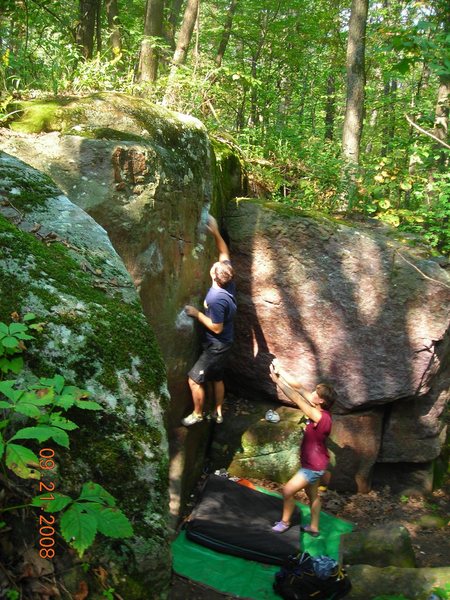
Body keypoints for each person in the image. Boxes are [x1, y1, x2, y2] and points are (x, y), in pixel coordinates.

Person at [269, 358, 337, 536]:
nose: (312, 393)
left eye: (316, 393)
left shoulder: (318, 415)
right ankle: (314, 527)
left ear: (321, 400)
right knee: (313, 495)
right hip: (317, 464)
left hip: (313, 467)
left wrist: (277, 382)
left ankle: (284, 523)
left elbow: (296, 398)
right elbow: (299, 387)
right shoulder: (322, 411)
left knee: (288, 490)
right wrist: (281, 371)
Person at [182, 215, 236, 426]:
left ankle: (197, 414)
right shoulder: (228, 280)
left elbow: (216, 327)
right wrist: (215, 232)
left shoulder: (214, 299)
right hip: (226, 341)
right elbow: (224, 252)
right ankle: (218, 412)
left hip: (217, 344)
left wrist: (196, 314)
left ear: (214, 275)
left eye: (215, 266)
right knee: (217, 377)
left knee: (194, 379)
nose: (215, 264)